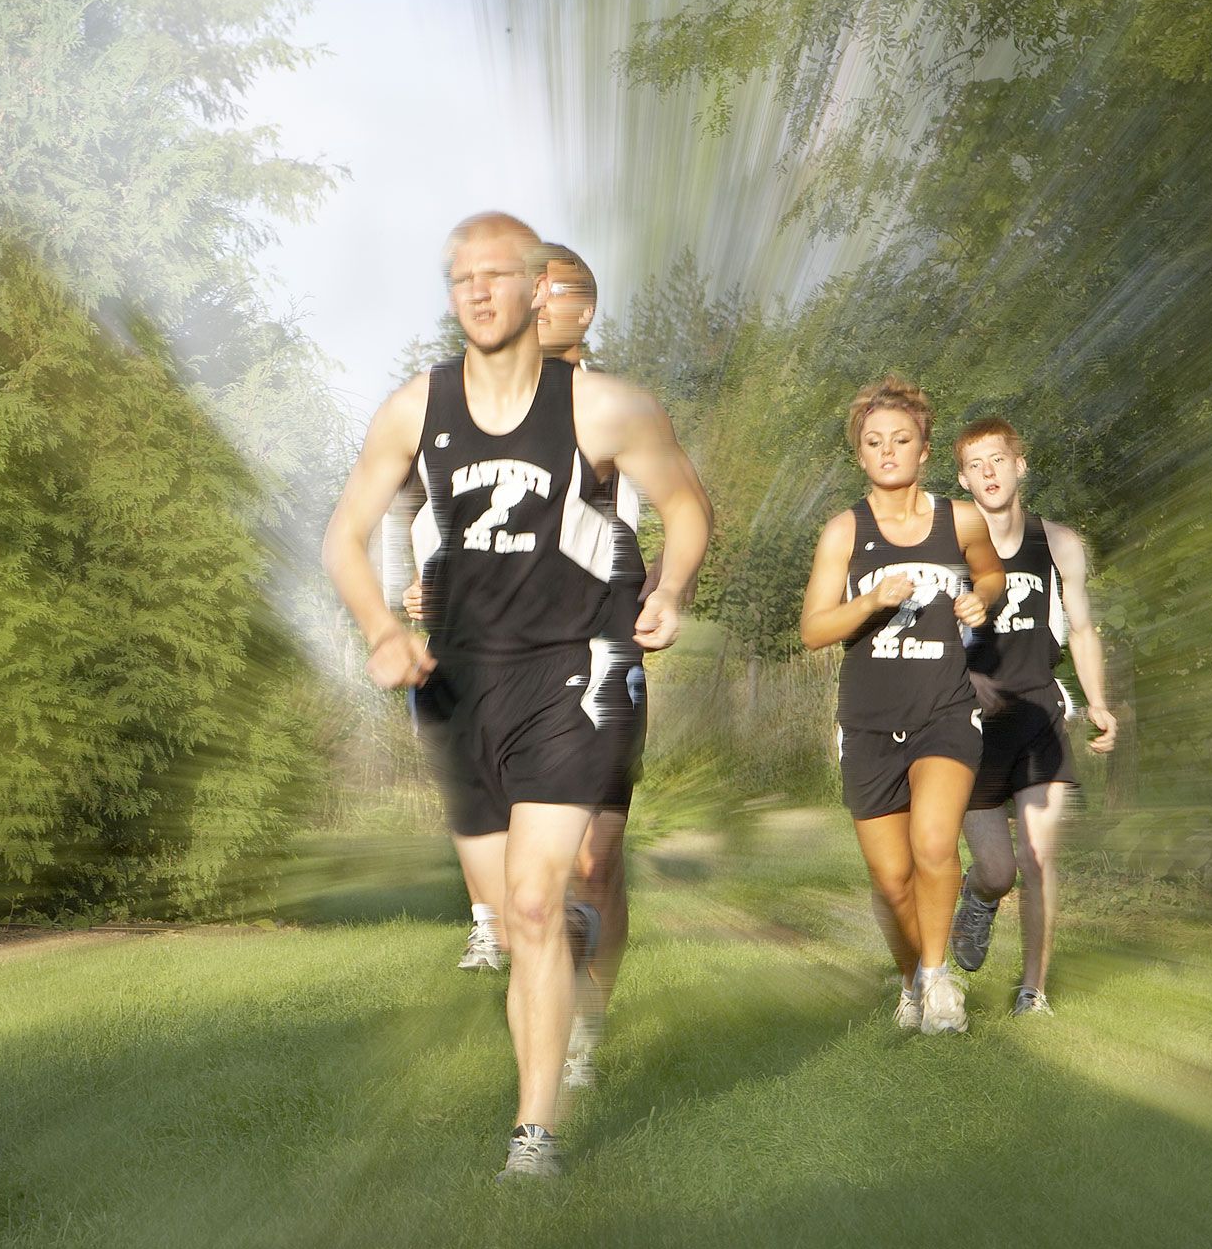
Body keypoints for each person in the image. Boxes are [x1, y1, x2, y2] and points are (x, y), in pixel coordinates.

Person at [326, 213, 710, 1180]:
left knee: (538, 902)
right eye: (462, 277)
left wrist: (668, 590)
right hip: (458, 684)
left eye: (499, 275)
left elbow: (688, 506)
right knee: (507, 912)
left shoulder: (605, 407)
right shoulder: (416, 408)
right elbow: (345, 536)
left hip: (573, 671)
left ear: (540, 289)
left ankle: (533, 1135)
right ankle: (562, 953)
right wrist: (382, 627)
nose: (479, 292)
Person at [405, 244, 657, 1088]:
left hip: (602, 650)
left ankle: (589, 1024)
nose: (534, 306)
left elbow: (667, 511)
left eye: (551, 294)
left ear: (583, 311)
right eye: (529, 291)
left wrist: (662, 592)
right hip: (505, 667)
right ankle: (533, 946)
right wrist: (428, 585)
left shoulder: (609, 409)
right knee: (538, 885)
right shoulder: (472, 403)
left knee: (599, 859)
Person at [798, 378, 1002, 1035]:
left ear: (924, 448)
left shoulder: (958, 519)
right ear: (860, 454)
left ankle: (940, 980)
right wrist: (870, 602)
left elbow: (990, 569)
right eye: (874, 441)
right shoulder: (843, 532)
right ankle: (912, 977)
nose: (888, 451)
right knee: (891, 880)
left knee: (935, 842)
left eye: (901, 440)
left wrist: (982, 598)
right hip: (866, 722)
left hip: (945, 709)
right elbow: (813, 629)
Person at [946, 418, 1118, 1014]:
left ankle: (1032, 992)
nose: (988, 472)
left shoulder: (1059, 542)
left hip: (1038, 713)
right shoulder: (948, 543)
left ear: (1021, 466)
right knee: (998, 871)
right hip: (968, 721)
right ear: (963, 478)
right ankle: (979, 896)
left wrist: (1096, 702)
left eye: (998, 459)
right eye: (976, 464)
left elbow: (1083, 627)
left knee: (1039, 858)